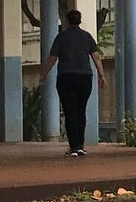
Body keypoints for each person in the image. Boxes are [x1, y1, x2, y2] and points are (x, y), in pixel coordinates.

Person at [40, 9, 106, 157]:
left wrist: (43, 75)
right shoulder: (87, 37)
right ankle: (81, 146)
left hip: (66, 77)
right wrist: (101, 75)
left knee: (70, 112)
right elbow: (96, 57)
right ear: (80, 20)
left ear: (68, 21)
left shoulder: (61, 37)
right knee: (81, 111)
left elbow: (52, 59)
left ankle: (74, 147)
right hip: (85, 78)